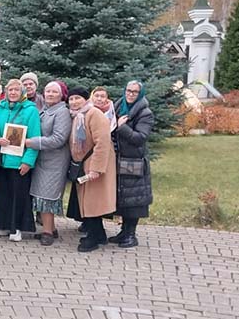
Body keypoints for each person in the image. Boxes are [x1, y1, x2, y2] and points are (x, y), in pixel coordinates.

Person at [66, 86, 117, 252]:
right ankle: (99, 234)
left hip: (94, 164)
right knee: (89, 200)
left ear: (85, 99)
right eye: (71, 99)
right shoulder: (79, 115)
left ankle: (93, 238)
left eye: (77, 98)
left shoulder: (94, 114)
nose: (74, 102)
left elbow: (102, 142)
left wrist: (96, 168)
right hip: (83, 163)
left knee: (94, 201)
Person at [0, 79, 41, 242]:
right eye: (10, 90)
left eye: (16, 90)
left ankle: (17, 227)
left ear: (22, 93)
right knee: (2, 194)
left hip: (19, 161)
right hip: (1, 160)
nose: (13, 93)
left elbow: (35, 138)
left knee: (19, 195)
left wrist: (28, 162)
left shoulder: (30, 111)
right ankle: (3, 224)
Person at [25, 81, 72, 246]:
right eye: (48, 91)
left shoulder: (62, 112)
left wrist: (33, 142)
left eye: (54, 92)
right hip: (43, 160)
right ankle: (50, 228)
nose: (50, 94)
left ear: (61, 95)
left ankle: (47, 233)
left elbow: (59, 139)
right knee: (41, 195)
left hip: (55, 162)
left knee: (47, 197)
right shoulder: (46, 109)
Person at [110, 80, 154, 248]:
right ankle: (123, 232)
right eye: (128, 90)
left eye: (135, 92)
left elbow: (140, 138)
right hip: (118, 158)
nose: (130, 94)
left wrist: (122, 128)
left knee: (134, 199)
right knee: (122, 197)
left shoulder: (145, 113)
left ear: (140, 94)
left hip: (133, 160)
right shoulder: (118, 107)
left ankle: (131, 234)